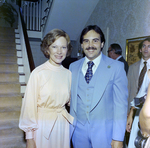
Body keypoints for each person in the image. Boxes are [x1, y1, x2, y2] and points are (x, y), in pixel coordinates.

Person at [69, 25, 128, 148]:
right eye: (86, 41)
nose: (90, 45)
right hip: (78, 133)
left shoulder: (116, 67)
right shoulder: (73, 67)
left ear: (102, 44)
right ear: (81, 45)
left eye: (95, 40)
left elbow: (120, 105)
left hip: (105, 134)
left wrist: (118, 138)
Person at [19, 29, 74, 148]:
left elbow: (70, 101)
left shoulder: (68, 74)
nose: (59, 51)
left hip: (62, 125)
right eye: (54, 46)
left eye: (63, 47)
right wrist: (29, 138)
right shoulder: (38, 73)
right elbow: (29, 106)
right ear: (47, 49)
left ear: (67, 49)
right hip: (43, 125)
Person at [126, 38, 150, 148]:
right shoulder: (134, 68)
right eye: (144, 46)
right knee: (135, 142)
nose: (146, 49)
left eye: (149, 46)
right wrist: (130, 112)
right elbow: (131, 91)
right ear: (140, 50)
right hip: (137, 112)